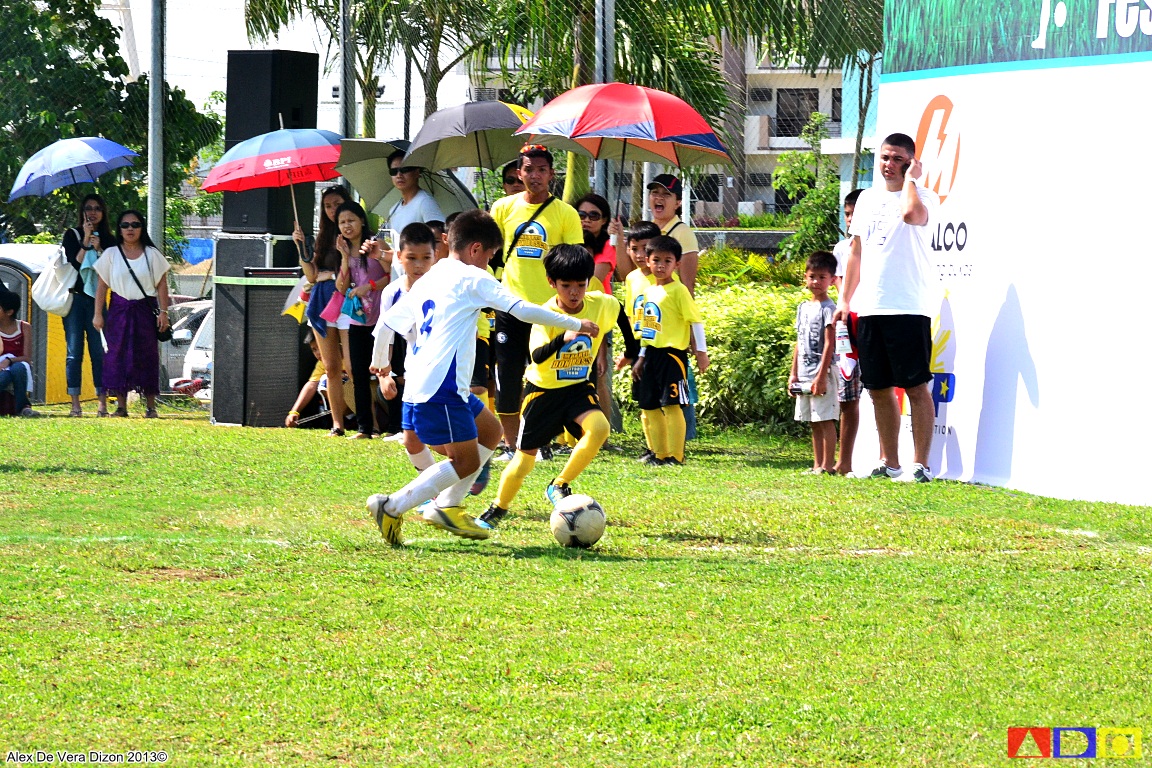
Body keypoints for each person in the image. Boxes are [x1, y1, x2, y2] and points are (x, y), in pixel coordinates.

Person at [365, 210, 599, 546]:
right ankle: (392, 505)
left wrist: (380, 364)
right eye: (490, 255)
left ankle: (447, 507)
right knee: (465, 462)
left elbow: (385, 325)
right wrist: (576, 324)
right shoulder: (473, 278)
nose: (490, 263)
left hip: (434, 385)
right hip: (441, 387)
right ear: (476, 249)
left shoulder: (433, 274)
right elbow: (521, 309)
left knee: (491, 430)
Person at [479, 244, 637, 528]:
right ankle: (497, 509)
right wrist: (566, 335)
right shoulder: (546, 314)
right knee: (524, 459)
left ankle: (559, 484)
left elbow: (620, 311)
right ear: (552, 283)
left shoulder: (600, 303)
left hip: (577, 388)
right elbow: (537, 356)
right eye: (566, 285)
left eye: (581, 284)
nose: (574, 292)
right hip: (543, 393)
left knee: (600, 428)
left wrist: (632, 351)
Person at [835, 132, 940, 483]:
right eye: (884, 157)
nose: (889, 165)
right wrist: (845, 299)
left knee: (915, 386)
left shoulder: (924, 195)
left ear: (910, 162)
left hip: (908, 305)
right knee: (878, 388)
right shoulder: (866, 198)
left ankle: (920, 465)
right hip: (871, 307)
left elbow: (912, 215)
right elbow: (856, 251)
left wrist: (911, 181)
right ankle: (889, 463)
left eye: (897, 159)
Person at [489, 144, 584, 458]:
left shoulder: (565, 214)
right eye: (528, 169)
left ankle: (538, 442)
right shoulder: (502, 208)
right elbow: (489, 255)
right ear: (519, 173)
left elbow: (574, 262)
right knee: (507, 376)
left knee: (544, 377)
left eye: (541, 169)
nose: (535, 176)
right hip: (509, 307)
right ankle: (510, 444)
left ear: (552, 174)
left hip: (548, 312)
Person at [631, 235, 709, 465]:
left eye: (667, 261)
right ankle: (660, 453)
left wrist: (701, 353)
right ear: (647, 261)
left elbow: (695, 321)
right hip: (652, 355)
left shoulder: (679, 291)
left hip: (673, 356)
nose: (661, 265)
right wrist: (641, 358)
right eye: (656, 260)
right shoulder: (647, 293)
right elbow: (647, 329)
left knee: (672, 405)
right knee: (650, 405)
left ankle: (676, 456)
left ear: (677, 264)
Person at [372, 222, 440, 468]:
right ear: (399, 257)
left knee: (438, 439)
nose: (419, 265)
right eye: (411, 258)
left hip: (441, 368)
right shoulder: (392, 293)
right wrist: (384, 373)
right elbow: (385, 334)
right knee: (413, 438)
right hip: (414, 368)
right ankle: (432, 489)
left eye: (426, 257)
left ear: (436, 257)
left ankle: (471, 465)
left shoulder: (442, 290)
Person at [92, 210, 170, 418]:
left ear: (141, 228)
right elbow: (102, 286)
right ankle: (121, 406)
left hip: (145, 311)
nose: (130, 229)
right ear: (119, 229)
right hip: (119, 310)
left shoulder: (152, 254)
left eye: (135, 225)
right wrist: (97, 314)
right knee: (117, 356)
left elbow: (162, 283)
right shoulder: (111, 254)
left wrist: (164, 312)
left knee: (147, 355)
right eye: (125, 225)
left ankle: (151, 406)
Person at [296, 185, 352, 436]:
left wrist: (333, 273)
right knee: (330, 366)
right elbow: (312, 274)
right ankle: (337, 424)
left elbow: (356, 272)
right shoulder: (322, 237)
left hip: (349, 303)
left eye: (337, 203)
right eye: (327, 205)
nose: (332, 210)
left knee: (351, 366)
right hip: (322, 302)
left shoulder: (353, 232)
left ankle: (368, 420)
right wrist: (301, 248)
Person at [333, 200, 387, 439]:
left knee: (388, 372)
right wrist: (344, 258)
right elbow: (340, 286)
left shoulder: (377, 246)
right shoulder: (345, 251)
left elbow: (393, 275)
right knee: (358, 374)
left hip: (383, 319)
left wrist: (370, 286)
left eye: (351, 220)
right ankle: (365, 428)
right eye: (342, 222)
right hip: (357, 321)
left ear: (362, 221)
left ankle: (395, 425)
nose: (347, 226)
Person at [60, 194, 114, 416]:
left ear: (103, 213)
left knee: (98, 351)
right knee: (74, 352)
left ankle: (102, 402)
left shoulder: (110, 239)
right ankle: (75, 404)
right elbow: (75, 263)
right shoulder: (71, 235)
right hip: (74, 299)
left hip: (97, 300)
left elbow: (110, 270)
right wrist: (86, 240)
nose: (93, 212)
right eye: (88, 208)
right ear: (82, 212)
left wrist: (100, 248)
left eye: (97, 208)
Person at [789, 251, 840, 475]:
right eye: (812, 276)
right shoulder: (803, 307)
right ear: (805, 277)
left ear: (832, 279)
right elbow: (799, 341)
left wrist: (822, 376)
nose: (816, 282)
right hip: (804, 371)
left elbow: (830, 344)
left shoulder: (830, 309)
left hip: (823, 372)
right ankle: (816, 464)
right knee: (812, 420)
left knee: (825, 418)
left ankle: (828, 465)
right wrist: (793, 374)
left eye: (822, 277)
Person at [618, 221, 662, 462]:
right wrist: (630, 352)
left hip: (657, 347)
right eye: (634, 248)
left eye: (645, 249)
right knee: (644, 402)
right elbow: (629, 316)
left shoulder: (663, 279)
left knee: (657, 402)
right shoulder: (633, 278)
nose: (639, 255)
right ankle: (651, 447)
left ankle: (664, 450)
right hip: (639, 346)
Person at [831, 189, 863, 477]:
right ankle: (845, 460)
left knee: (880, 389)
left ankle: (884, 457)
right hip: (847, 325)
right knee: (847, 394)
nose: (852, 219)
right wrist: (847, 302)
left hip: (874, 319)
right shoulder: (841, 249)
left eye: (857, 214)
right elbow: (840, 284)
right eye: (848, 214)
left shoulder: (878, 246)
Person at [646, 174, 700, 294]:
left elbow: (688, 284)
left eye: (666, 194)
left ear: (677, 202)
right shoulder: (646, 230)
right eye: (655, 192)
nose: (659, 198)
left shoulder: (683, 233)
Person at [0, 289, 41, 417]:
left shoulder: (24, 327)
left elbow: (27, 358)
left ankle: (22, 408)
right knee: (5, 377)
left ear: (9, 312)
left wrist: (9, 361)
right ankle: (21, 407)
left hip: (16, 365)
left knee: (18, 368)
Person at [286, 331, 324, 428]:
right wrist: (294, 411)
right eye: (314, 349)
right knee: (324, 381)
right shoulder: (322, 364)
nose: (318, 353)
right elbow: (311, 385)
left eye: (320, 346)